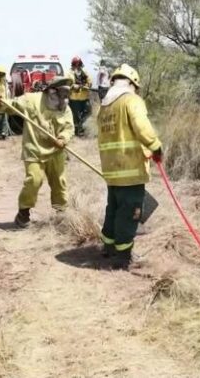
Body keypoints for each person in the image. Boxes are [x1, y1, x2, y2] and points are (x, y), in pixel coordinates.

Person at [97, 64, 162, 270]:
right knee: (131, 211)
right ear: (132, 83)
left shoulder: (105, 105)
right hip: (130, 168)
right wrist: (156, 146)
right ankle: (123, 256)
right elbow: (141, 127)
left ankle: (108, 247)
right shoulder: (131, 100)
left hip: (111, 169)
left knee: (113, 208)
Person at [0, 76, 74, 228]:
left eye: (66, 95)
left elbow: (69, 128)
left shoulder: (65, 108)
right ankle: (23, 213)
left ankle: (61, 214)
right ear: (52, 91)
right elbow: (11, 106)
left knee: (59, 183)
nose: (64, 98)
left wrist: (63, 139)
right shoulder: (31, 100)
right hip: (34, 150)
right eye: (62, 94)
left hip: (56, 152)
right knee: (34, 180)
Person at [69, 56, 92, 137]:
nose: (78, 66)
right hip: (74, 98)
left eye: (79, 64)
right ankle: (78, 131)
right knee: (76, 116)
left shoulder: (84, 72)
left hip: (84, 97)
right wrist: (73, 86)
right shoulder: (69, 73)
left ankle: (80, 126)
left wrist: (87, 85)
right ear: (73, 65)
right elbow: (67, 83)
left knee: (89, 112)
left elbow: (90, 81)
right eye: (76, 64)